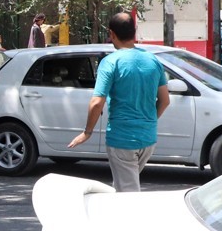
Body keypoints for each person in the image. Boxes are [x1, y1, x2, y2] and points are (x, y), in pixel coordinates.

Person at [67, 12, 169, 192]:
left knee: (127, 196)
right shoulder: (153, 60)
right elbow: (165, 100)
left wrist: (87, 132)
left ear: (111, 33)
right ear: (134, 32)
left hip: (122, 140)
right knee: (124, 185)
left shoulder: (110, 62)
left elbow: (97, 102)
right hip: (148, 139)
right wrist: (149, 121)